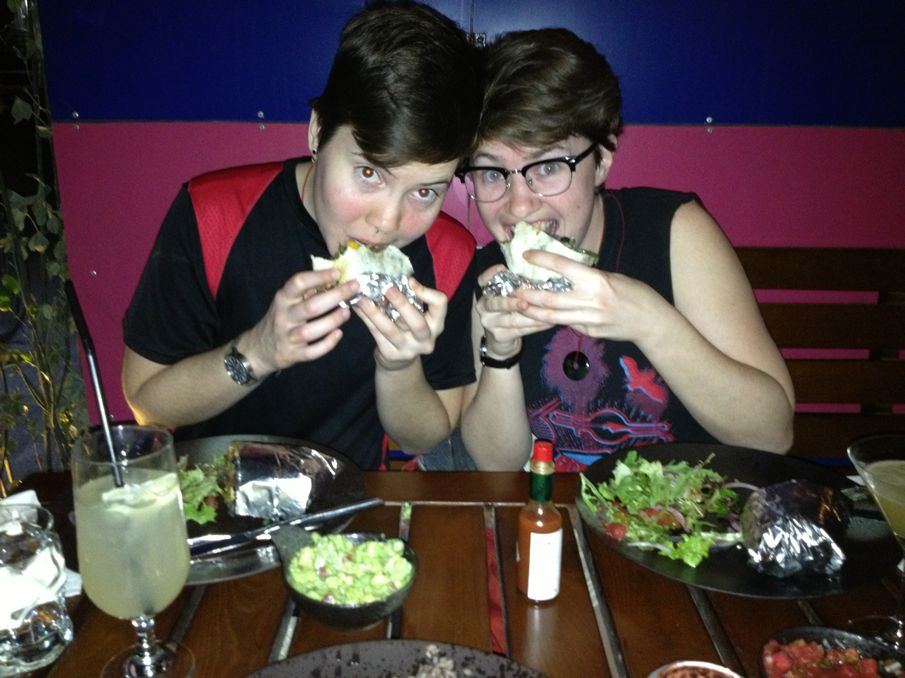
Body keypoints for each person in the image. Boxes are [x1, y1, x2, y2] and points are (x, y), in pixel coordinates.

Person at [121, 1, 481, 470]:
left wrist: (399, 365)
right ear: (317, 132)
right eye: (369, 173)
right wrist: (259, 351)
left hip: (351, 500)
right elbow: (148, 403)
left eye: (425, 192)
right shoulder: (213, 216)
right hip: (213, 494)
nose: (389, 223)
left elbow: (425, 435)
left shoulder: (448, 255)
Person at [453, 28, 795, 472]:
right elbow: (498, 468)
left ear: (603, 158)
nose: (518, 206)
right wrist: (499, 352)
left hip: (689, 505)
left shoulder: (674, 231)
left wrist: (647, 319)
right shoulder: (490, 273)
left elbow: (772, 435)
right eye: (491, 173)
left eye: (549, 166)